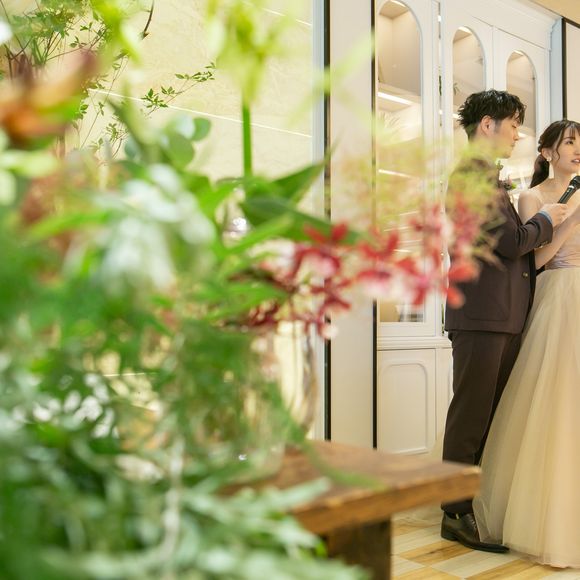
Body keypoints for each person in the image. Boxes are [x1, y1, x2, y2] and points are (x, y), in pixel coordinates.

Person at [440, 91, 568, 553]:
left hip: (501, 314)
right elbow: (510, 243)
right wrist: (548, 220)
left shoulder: (485, 177)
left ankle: (470, 506)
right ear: (488, 124)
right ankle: (454, 513)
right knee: (471, 415)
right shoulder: (470, 177)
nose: (517, 135)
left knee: (487, 416)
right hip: (482, 315)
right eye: (513, 125)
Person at [474, 120, 580, 567]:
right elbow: (537, 259)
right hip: (557, 297)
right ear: (548, 152)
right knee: (554, 404)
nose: (578, 149)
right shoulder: (532, 197)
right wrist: (573, 214)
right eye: (570, 142)